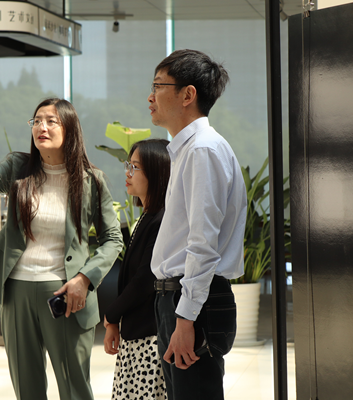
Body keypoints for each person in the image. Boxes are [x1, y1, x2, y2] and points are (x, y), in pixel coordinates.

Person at [0, 98, 123, 400]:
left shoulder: (91, 181)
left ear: (70, 129)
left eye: (51, 121)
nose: (41, 127)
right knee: (27, 388)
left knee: (74, 388)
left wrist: (84, 279)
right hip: (17, 292)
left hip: (66, 294)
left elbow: (113, 238)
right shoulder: (19, 168)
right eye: (37, 121)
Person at [148, 49, 247, 400]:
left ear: (187, 95)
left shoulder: (203, 150)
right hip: (181, 298)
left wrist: (186, 318)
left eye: (158, 86)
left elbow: (203, 243)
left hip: (193, 301)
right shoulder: (189, 150)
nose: (150, 96)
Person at [103, 139, 170, 400]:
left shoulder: (161, 220)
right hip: (137, 336)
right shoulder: (148, 216)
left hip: (149, 339)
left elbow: (145, 279)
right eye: (127, 165)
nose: (128, 173)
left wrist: (112, 314)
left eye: (135, 167)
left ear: (157, 172)